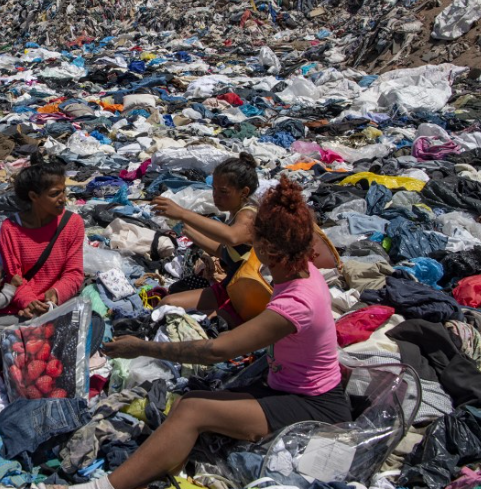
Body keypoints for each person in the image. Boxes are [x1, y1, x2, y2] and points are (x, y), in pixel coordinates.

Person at [66, 176, 350, 489]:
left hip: (315, 404)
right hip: (288, 386)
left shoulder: (298, 301)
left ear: (268, 248)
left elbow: (218, 350)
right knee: (194, 398)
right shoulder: (301, 271)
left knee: (192, 409)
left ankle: (102, 487)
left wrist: (142, 347)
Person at [0, 151, 85, 367]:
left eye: (64, 191)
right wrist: (30, 303)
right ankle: (29, 353)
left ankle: (28, 352)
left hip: (56, 308)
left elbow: (74, 273)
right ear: (33, 196)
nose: (63, 199)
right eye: (55, 194)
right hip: (19, 310)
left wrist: (54, 296)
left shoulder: (72, 224)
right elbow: (14, 277)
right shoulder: (11, 229)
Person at [151, 153, 260, 323]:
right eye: (214, 189)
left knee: (200, 323)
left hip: (245, 296)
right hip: (231, 288)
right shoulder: (235, 214)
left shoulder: (249, 215)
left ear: (244, 192)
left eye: (223, 191)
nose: (216, 196)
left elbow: (232, 237)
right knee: (167, 303)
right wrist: (189, 232)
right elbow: (225, 252)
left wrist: (183, 213)